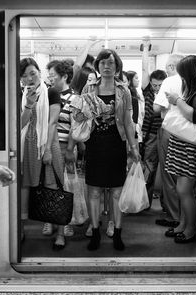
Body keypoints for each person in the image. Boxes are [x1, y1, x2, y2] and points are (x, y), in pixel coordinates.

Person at [67, 49, 140, 251]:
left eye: (111, 63)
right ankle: (96, 233)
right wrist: (74, 141)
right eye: (103, 63)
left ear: (117, 67)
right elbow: (78, 117)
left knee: (117, 192)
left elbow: (127, 122)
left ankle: (117, 233)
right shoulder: (88, 88)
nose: (107, 66)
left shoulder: (123, 90)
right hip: (95, 145)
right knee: (94, 191)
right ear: (97, 66)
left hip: (116, 144)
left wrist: (134, 148)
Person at [20, 57, 64, 247]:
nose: (29, 79)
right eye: (24, 76)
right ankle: (19, 231)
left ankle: (60, 233)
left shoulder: (52, 92)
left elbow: (52, 123)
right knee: (24, 188)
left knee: (54, 186)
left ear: (39, 72)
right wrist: (29, 105)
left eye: (32, 73)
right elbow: (19, 125)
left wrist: (47, 150)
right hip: (27, 145)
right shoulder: (20, 95)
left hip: (49, 143)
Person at [164, 55, 196, 243]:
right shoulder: (192, 88)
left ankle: (191, 229)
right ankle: (182, 224)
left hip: (189, 148)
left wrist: (177, 101)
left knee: (184, 189)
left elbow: (194, 116)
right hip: (182, 145)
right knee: (182, 189)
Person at [46, 59, 75, 247]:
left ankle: (62, 231)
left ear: (64, 77)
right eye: (48, 76)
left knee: (64, 189)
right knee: (49, 187)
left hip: (65, 146)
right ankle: (49, 219)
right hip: (49, 145)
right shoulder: (47, 94)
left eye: (53, 76)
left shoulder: (75, 98)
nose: (49, 80)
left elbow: (75, 126)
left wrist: (71, 149)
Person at [153, 54, 184, 228]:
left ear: (172, 67)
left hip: (170, 130)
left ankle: (173, 216)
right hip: (188, 133)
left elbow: (157, 107)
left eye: (167, 66)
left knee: (169, 175)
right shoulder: (190, 81)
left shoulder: (169, 81)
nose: (165, 69)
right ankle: (184, 215)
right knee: (183, 176)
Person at [141, 40, 167, 208]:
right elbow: (145, 69)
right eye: (154, 84)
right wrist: (145, 48)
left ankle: (167, 205)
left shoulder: (168, 91)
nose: (156, 88)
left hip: (165, 132)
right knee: (149, 168)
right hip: (151, 134)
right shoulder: (148, 91)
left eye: (159, 85)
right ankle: (145, 202)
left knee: (167, 170)